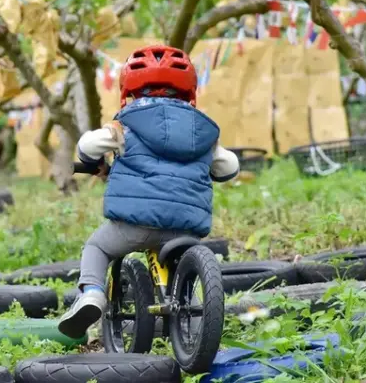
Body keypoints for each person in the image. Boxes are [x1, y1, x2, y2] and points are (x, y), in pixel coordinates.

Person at [58, 44, 240, 339]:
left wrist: (93, 161)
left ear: (128, 89)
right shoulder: (204, 131)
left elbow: (87, 147)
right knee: (185, 272)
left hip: (136, 224)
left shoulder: (125, 124)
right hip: (186, 227)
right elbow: (229, 167)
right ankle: (195, 330)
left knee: (97, 247)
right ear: (190, 90)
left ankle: (91, 294)